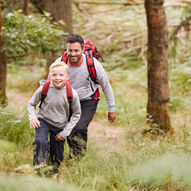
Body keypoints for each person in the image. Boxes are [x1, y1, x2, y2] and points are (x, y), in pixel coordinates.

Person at [55, 34, 116, 157]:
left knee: (79, 128)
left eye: (76, 50)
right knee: (68, 128)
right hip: (68, 100)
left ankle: (79, 159)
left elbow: (106, 86)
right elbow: (48, 83)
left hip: (88, 100)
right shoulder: (61, 62)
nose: (73, 54)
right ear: (66, 50)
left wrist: (112, 109)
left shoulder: (93, 64)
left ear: (82, 50)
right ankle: (74, 155)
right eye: (70, 50)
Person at [27, 62, 81, 175]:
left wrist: (65, 132)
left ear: (67, 77)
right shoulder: (44, 89)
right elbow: (31, 104)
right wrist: (33, 117)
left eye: (61, 75)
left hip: (60, 126)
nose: (57, 78)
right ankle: (39, 168)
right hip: (44, 120)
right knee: (41, 141)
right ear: (50, 76)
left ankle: (54, 170)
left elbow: (76, 114)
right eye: (54, 75)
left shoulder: (72, 94)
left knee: (57, 155)